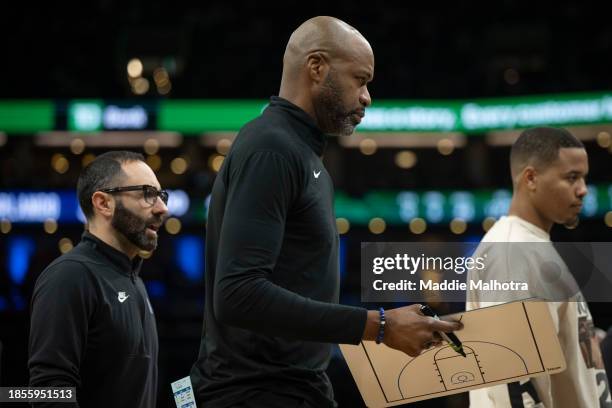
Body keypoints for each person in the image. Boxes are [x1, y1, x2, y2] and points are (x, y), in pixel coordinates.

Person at [190, 16, 461, 408]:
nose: (367, 96)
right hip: (254, 392)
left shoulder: (302, 153)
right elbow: (237, 294)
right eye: (360, 80)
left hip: (292, 388)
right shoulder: (272, 147)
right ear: (317, 67)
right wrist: (378, 326)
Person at [466, 127, 611, 407]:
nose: (583, 190)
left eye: (584, 178)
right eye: (571, 178)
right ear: (531, 178)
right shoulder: (511, 252)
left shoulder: (533, 245)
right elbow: (515, 379)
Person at [29, 151, 168, 408]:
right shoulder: (69, 276)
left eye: (161, 195)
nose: (162, 207)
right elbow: (46, 391)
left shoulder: (134, 280)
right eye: (148, 193)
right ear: (103, 203)